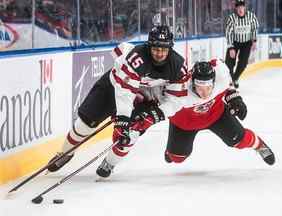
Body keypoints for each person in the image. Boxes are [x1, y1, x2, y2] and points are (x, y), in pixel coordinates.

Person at [46, 25, 190, 177]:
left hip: (145, 97)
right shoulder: (137, 58)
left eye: (164, 49)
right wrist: (122, 119)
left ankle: (110, 163)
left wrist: (156, 114)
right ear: (149, 46)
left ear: (171, 48)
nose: (159, 53)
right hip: (114, 86)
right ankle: (65, 153)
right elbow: (125, 92)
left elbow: (176, 99)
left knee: (130, 133)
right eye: (155, 48)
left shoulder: (178, 66)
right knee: (84, 124)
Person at [164, 59, 275, 166]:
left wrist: (234, 98)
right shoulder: (179, 90)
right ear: (192, 83)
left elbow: (228, 83)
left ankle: (260, 146)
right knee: (177, 158)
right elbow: (162, 108)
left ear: (214, 81)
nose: (205, 92)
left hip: (216, 115)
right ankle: (172, 151)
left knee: (239, 140)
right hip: (185, 124)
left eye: (208, 87)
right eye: (200, 87)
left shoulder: (220, 76)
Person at [224, 0, 259, 88]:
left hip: (246, 43)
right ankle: (230, 81)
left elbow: (254, 28)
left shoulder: (251, 16)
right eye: (238, 7)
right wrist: (231, 47)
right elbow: (229, 33)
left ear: (245, 7)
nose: (240, 9)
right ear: (236, 8)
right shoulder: (232, 18)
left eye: (242, 7)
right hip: (234, 42)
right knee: (229, 63)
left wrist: (254, 41)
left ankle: (234, 79)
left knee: (243, 64)